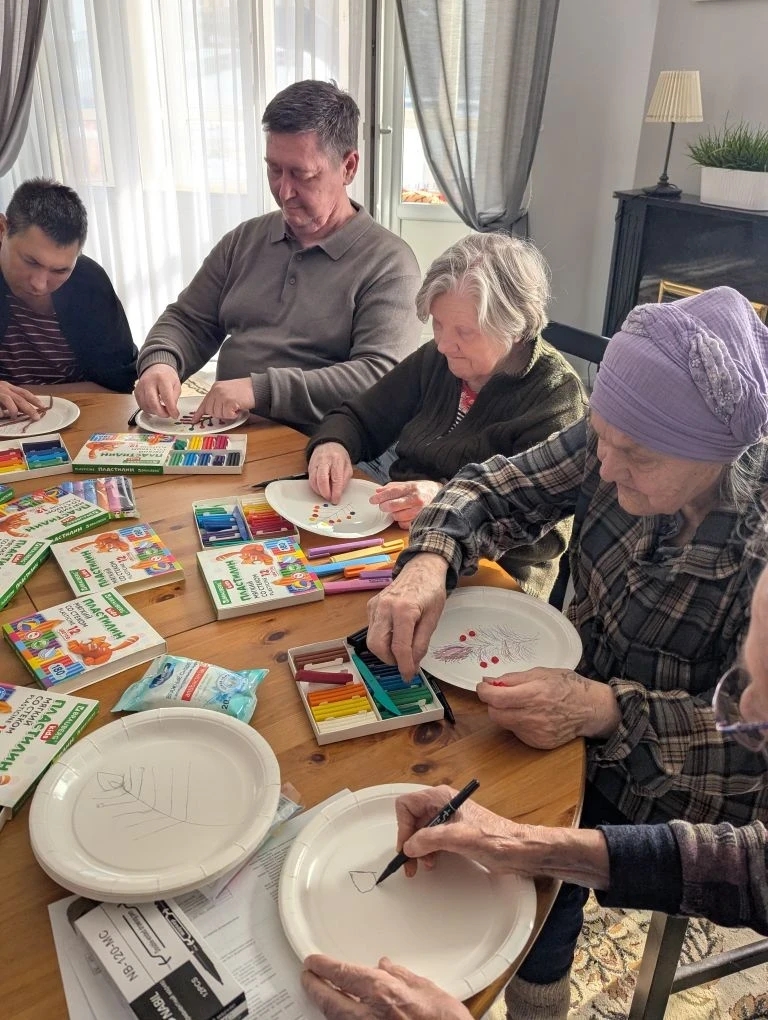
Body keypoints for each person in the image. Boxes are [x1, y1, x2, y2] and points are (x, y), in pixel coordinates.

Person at [360, 286, 768, 1017]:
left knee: (525, 871)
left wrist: (607, 711)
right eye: (600, 438)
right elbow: (487, 489)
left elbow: (752, 756)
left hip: (676, 784)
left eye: (634, 455)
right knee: (417, 774)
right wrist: (426, 563)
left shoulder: (757, 546)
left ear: (715, 456)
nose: (604, 469)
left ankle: (537, 994)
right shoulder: (616, 436)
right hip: (560, 702)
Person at [301, 527, 768, 1020]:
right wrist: (520, 844)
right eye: (745, 679)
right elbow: (746, 864)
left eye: (760, 695)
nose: (744, 707)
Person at [306, 233, 586, 599]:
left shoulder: (556, 396)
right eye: (437, 323)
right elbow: (360, 418)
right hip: (401, 536)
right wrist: (333, 445)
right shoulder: (438, 357)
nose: (442, 344)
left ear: (515, 328)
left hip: (492, 575)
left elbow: (544, 541)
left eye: (464, 332)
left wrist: (445, 502)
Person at [134, 80, 421, 433]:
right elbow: (189, 321)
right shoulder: (244, 240)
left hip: (325, 443)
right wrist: (161, 362)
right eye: (274, 169)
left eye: (302, 174)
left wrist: (260, 390)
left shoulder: (390, 265)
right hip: (229, 431)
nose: (284, 191)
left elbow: (379, 377)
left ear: (348, 167)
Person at [0, 178, 137, 413]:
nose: (40, 284)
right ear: (2, 230)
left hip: (81, 412)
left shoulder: (89, 282)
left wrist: (23, 394)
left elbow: (119, 384)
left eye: (60, 270)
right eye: (31, 261)